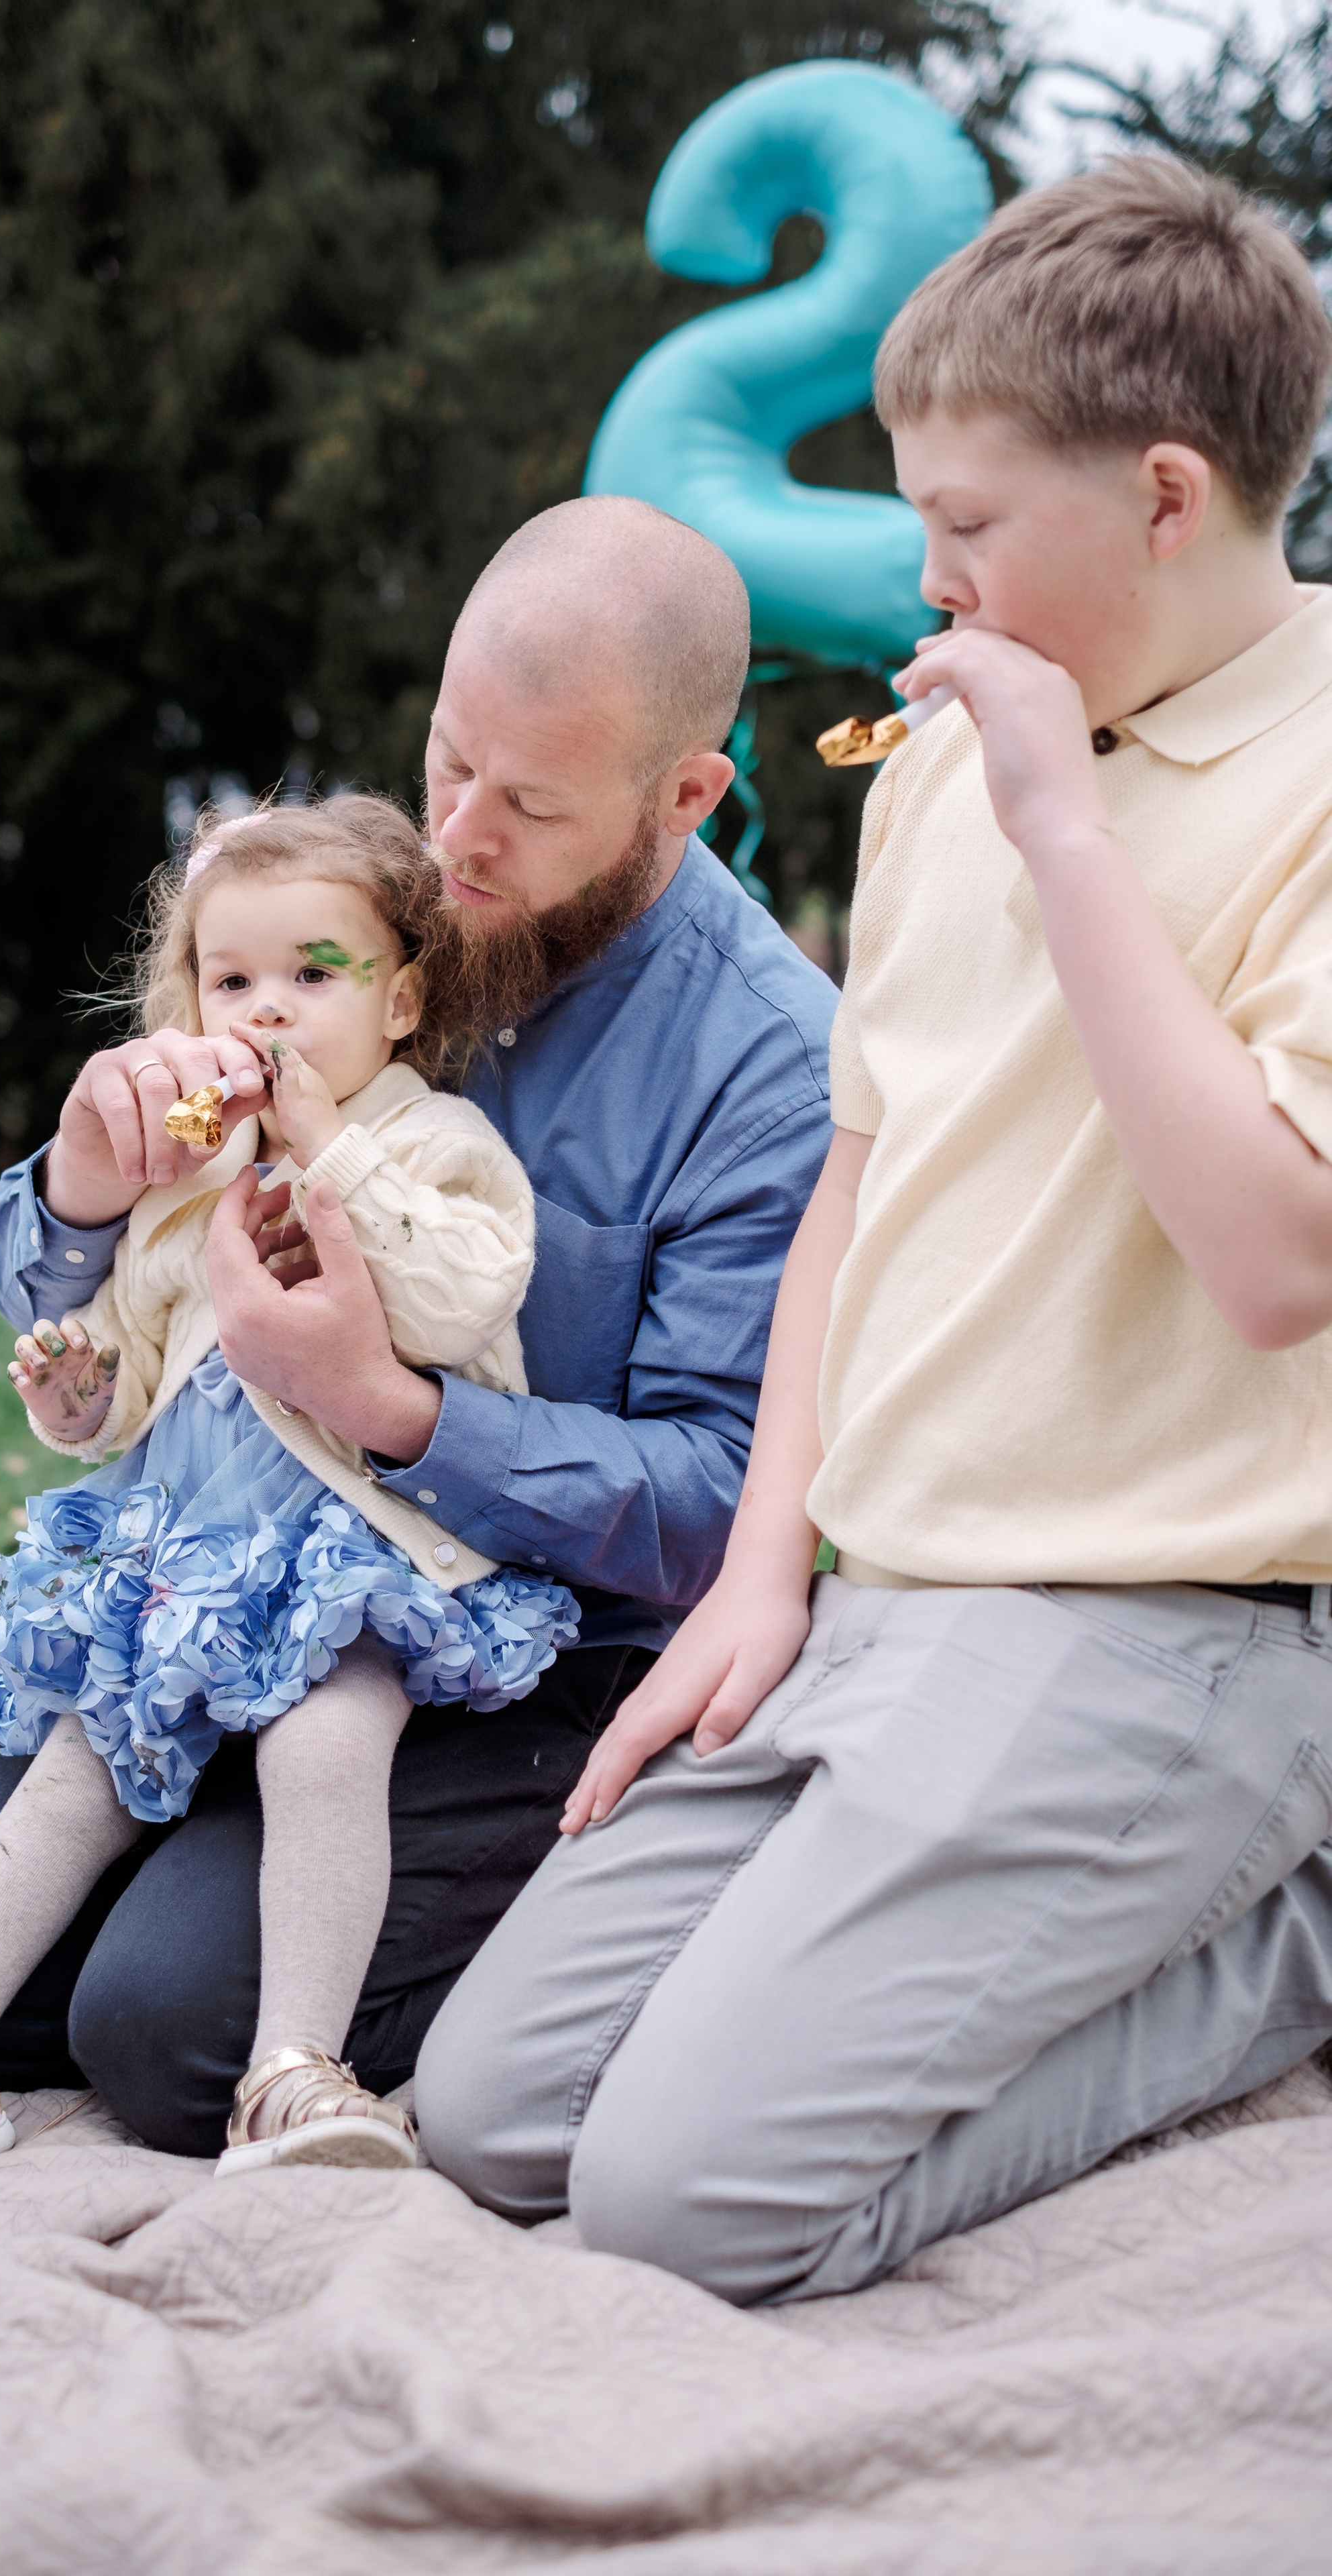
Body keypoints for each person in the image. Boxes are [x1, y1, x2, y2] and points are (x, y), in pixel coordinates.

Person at [415, 157, 1332, 2304]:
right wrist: (763, 1572)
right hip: (878, 1599)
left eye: (971, 529)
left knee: (686, 2203)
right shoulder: (938, 752)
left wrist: (1064, 829)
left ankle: (1292, 1931)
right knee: (493, 2116)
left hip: (1169, 1626)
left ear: (1170, 496)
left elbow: (1283, 1257)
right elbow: (867, 1161)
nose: (926, 576)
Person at [0, 496, 840, 2155]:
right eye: (450, 759)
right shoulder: (354, 917)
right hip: (216, 1564)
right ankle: (184, 1855)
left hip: (496, 1646)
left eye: (527, 805)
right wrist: (82, 1193)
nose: (455, 839)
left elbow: (723, 1505)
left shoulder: (769, 1073)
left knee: (157, 2039)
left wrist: (395, 1407)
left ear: (684, 797)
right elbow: (110, 1277)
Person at [0, 797, 578, 2174]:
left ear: (403, 1000)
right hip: (186, 1555)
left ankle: (291, 2073)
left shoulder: (432, 1147)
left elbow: (458, 1292)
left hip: (351, 1547)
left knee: (327, 1743)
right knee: (73, 1777)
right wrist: (76, 1393)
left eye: (315, 974)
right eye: (232, 981)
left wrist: (329, 1152)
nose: (270, 1012)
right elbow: (137, 1365)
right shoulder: (186, 1176)